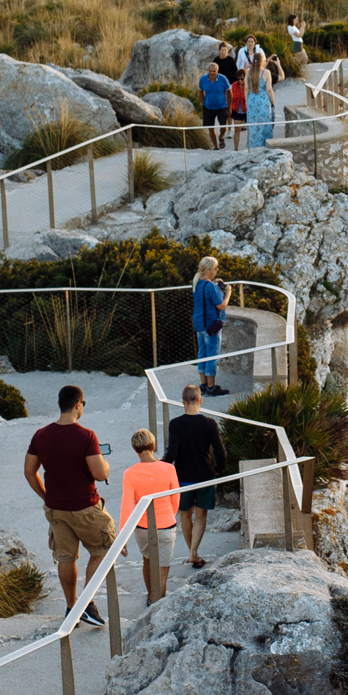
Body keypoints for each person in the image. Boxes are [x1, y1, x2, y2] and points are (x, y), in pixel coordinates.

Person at [23, 383, 112, 625]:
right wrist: (106, 465)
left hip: (56, 509)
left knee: (65, 558)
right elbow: (99, 474)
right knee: (105, 548)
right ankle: (86, 603)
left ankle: (72, 607)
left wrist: (45, 496)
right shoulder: (86, 436)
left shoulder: (41, 435)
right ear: (78, 405)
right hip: (85, 506)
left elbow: (30, 472)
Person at [167, 381, 227, 567]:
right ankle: (194, 553)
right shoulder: (210, 424)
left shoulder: (175, 424)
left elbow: (172, 454)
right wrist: (219, 469)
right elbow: (220, 452)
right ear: (200, 400)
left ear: (183, 402)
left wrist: (161, 467)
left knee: (185, 514)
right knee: (201, 516)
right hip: (205, 477)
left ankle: (192, 553)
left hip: (183, 478)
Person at [119, 426, 180, 601]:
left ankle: (150, 596)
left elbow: (126, 505)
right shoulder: (169, 469)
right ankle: (158, 601)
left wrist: (123, 535)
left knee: (147, 560)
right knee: (163, 568)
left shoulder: (130, 474)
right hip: (167, 525)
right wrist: (170, 514)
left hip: (143, 527)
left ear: (135, 450)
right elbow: (175, 498)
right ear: (153, 446)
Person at [191, 253, 229, 394]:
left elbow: (205, 297)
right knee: (212, 356)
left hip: (199, 324)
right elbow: (221, 305)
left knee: (202, 354)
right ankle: (212, 388)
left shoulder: (196, 282)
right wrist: (228, 292)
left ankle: (203, 384)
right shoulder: (210, 287)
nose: (217, 270)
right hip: (211, 325)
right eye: (215, 268)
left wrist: (214, 283)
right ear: (208, 270)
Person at [245, 55, 275, 151]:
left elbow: (246, 88)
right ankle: (265, 147)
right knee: (265, 124)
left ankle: (253, 148)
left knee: (253, 125)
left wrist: (246, 101)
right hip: (263, 101)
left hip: (251, 100)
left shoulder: (249, 72)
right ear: (262, 61)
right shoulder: (266, 72)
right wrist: (272, 101)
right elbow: (269, 89)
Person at [198, 58, 230, 148]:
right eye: (210, 71)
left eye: (214, 71)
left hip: (221, 106)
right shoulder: (203, 79)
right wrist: (203, 103)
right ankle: (215, 146)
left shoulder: (223, 79)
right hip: (208, 106)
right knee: (210, 128)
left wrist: (229, 106)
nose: (212, 73)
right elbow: (201, 91)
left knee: (224, 126)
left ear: (217, 71)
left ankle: (221, 136)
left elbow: (229, 91)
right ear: (208, 71)